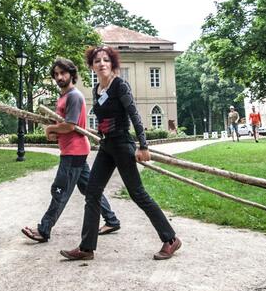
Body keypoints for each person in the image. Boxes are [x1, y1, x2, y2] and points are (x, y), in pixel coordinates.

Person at [60, 45, 181, 261]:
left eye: (106, 60)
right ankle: (86, 248)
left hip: (123, 145)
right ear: (92, 66)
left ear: (112, 63)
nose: (102, 64)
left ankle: (171, 239)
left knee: (137, 193)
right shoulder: (98, 89)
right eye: (97, 61)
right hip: (107, 147)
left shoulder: (120, 85)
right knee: (92, 192)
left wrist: (143, 146)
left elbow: (134, 115)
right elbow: (103, 118)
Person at [21, 58, 121, 244]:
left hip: (73, 152)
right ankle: (112, 220)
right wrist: (55, 131)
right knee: (90, 189)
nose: (59, 77)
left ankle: (44, 229)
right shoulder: (64, 96)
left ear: (71, 74)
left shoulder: (74, 96)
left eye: (63, 73)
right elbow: (64, 125)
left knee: (60, 190)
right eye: (56, 74)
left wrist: (51, 130)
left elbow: (70, 126)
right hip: (74, 150)